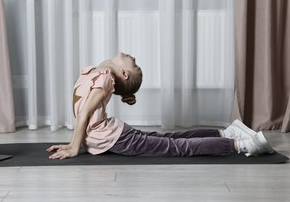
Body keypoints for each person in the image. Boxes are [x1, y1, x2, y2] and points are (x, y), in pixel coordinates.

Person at [47, 52, 274, 159]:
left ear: (123, 74)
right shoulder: (94, 72)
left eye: (133, 63)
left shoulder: (105, 78)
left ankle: (241, 144)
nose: (132, 56)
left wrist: (75, 147)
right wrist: (71, 142)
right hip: (116, 135)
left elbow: (85, 112)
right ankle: (225, 132)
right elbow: (83, 113)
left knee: (175, 146)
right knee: (170, 140)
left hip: (116, 137)